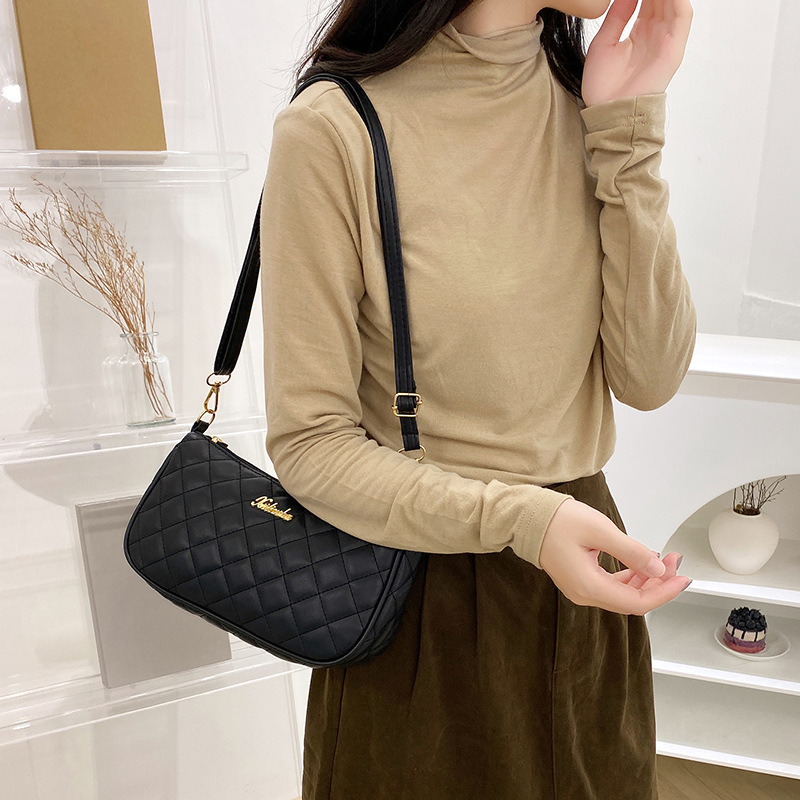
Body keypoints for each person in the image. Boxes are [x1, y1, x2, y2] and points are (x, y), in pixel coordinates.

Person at [259, 0, 696, 797]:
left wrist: (629, 133)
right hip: (422, 610)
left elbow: (650, 376)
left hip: (586, 595)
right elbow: (310, 444)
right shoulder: (335, 130)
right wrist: (525, 521)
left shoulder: (588, 107)